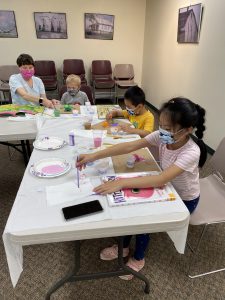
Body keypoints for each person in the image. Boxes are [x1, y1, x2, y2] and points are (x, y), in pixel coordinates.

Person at [77, 97, 207, 280]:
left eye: (168, 128)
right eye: (161, 125)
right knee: (132, 208)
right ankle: (123, 247)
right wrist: (93, 155)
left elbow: (162, 178)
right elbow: (129, 145)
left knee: (144, 216)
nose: (161, 131)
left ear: (187, 130)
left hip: (185, 199)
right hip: (167, 187)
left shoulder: (191, 152)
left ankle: (138, 258)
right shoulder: (163, 137)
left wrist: (121, 182)